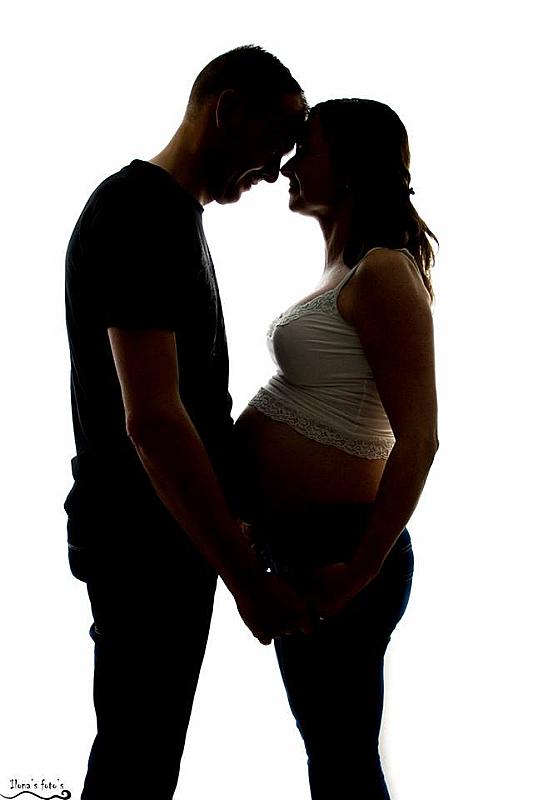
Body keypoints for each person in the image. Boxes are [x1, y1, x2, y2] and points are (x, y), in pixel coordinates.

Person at [63, 45, 312, 800]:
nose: (277, 171)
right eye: (277, 142)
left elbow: (189, 409)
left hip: (159, 540)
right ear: (227, 110)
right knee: (137, 764)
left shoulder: (169, 215)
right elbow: (155, 421)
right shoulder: (140, 213)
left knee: (141, 755)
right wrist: (247, 581)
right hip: (143, 542)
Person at [234, 98, 439, 799]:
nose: (288, 165)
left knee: (342, 757)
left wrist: (359, 569)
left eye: (308, 150)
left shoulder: (383, 272)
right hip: (299, 543)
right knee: (330, 751)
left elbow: (420, 438)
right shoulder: (345, 272)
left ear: (349, 170)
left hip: (342, 546)